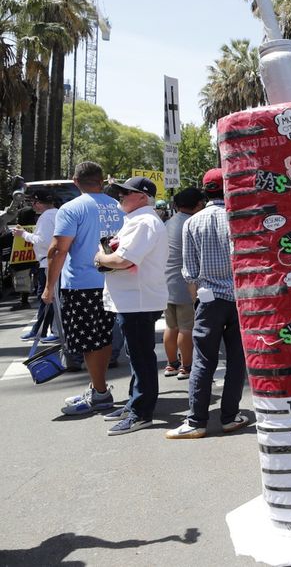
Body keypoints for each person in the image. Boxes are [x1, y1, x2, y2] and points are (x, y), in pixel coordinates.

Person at [167, 169, 248, 439]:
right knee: (237, 360)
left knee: (203, 360)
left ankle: (196, 421)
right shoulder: (240, 218)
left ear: (205, 192)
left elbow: (189, 271)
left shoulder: (192, 223)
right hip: (239, 299)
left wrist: (197, 300)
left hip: (208, 299)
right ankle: (229, 417)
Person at [46, 162, 124, 415]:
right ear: (101, 181)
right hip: (115, 281)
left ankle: (100, 393)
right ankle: (97, 387)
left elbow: (58, 249)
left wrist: (49, 287)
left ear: (75, 181)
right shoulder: (119, 207)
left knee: (91, 341)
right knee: (104, 338)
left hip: (83, 284)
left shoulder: (72, 208)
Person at [94, 176, 169, 435]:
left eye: (127, 192)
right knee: (138, 357)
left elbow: (124, 260)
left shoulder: (144, 221)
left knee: (141, 358)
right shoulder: (140, 220)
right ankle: (135, 405)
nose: (121, 196)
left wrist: (102, 257)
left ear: (143, 197)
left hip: (137, 300)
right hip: (133, 299)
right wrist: (107, 257)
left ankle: (141, 412)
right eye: (122, 192)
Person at [163, 188, 204, 379]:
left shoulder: (167, 223)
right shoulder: (192, 223)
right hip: (185, 284)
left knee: (171, 327)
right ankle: (186, 367)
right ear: (197, 204)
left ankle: (171, 364)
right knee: (187, 327)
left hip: (166, 283)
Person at [14, 191, 59, 341]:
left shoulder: (46, 217)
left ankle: (45, 331)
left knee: (46, 297)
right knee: (50, 298)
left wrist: (23, 234)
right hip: (54, 261)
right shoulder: (58, 213)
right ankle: (44, 330)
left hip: (48, 262)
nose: (32, 206)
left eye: (33, 202)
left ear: (38, 203)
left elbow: (44, 241)